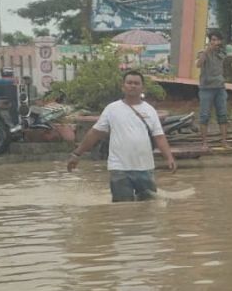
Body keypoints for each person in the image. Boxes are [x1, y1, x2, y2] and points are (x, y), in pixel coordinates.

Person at [66, 70, 177, 201]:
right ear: (123, 86)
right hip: (119, 168)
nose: (133, 86)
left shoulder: (150, 110)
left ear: (142, 87)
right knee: (122, 207)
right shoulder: (112, 109)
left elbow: (159, 137)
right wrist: (77, 154)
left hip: (145, 167)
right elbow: (95, 133)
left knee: (149, 207)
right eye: (129, 83)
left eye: (136, 83)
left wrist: (169, 158)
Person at [196, 31, 229, 147]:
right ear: (209, 41)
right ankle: (204, 142)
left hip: (220, 87)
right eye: (213, 40)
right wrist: (206, 51)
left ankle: (224, 141)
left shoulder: (222, 52)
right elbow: (198, 64)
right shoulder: (202, 52)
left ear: (220, 41)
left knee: (223, 114)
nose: (215, 42)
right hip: (206, 88)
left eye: (217, 40)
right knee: (204, 115)